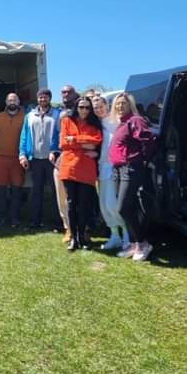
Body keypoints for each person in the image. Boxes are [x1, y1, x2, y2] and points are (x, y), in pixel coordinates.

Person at [109, 92, 155, 261]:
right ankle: (135, 243)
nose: (120, 106)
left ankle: (143, 243)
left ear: (130, 105)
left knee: (123, 207)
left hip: (130, 168)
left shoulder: (135, 120)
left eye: (123, 103)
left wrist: (141, 159)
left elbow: (148, 140)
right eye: (117, 103)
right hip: (117, 169)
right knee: (129, 208)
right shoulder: (122, 123)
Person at [59, 96, 102, 250]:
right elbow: (63, 143)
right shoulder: (66, 121)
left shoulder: (94, 124)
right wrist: (85, 143)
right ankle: (73, 238)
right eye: (81, 107)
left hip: (86, 168)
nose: (84, 110)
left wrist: (74, 140)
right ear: (76, 107)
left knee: (84, 204)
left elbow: (96, 141)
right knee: (71, 203)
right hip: (69, 167)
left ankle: (83, 237)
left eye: (87, 108)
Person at [19, 88, 62, 230]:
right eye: (40, 97)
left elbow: (60, 135)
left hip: (52, 159)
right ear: (37, 99)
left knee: (56, 191)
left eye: (45, 97)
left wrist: (55, 151)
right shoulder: (30, 115)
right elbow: (24, 136)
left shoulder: (57, 114)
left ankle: (58, 222)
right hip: (35, 159)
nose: (43, 99)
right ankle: (35, 221)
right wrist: (22, 154)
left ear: (50, 98)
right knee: (36, 191)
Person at [92, 95, 129, 249]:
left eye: (101, 106)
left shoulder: (116, 121)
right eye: (95, 108)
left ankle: (127, 235)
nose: (98, 110)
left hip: (114, 168)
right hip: (101, 169)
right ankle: (115, 236)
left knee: (113, 204)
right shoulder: (95, 124)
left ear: (107, 105)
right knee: (104, 205)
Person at [0, 92, 25, 228]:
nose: (12, 102)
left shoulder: (25, 118)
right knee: (0, 190)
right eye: (9, 100)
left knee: (17, 190)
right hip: (2, 158)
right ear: (6, 102)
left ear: (19, 102)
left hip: (18, 159)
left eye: (14, 100)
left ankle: (14, 218)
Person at [54, 85, 79, 241]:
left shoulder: (82, 110)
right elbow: (55, 136)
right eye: (63, 92)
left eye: (68, 92)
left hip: (78, 160)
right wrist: (53, 151)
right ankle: (68, 228)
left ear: (75, 94)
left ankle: (83, 229)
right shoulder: (59, 112)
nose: (65, 94)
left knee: (78, 198)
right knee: (61, 197)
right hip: (61, 160)